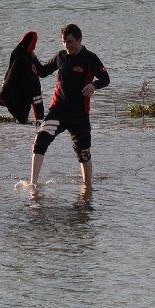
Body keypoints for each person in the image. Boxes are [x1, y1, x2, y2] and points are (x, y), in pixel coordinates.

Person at [30, 24, 109, 187]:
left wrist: (94, 85)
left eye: (70, 41)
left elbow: (105, 78)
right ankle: (33, 185)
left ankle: (87, 188)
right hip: (57, 111)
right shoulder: (61, 56)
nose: (66, 45)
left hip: (79, 114)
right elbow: (43, 71)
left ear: (79, 40)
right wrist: (30, 56)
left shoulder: (90, 58)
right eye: (63, 41)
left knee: (84, 153)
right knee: (40, 141)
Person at [0, 31, 46, 124]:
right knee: (34, 99)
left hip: (23, 85)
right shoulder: (22, 56)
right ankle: (37, 119)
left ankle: (34, 119)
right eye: (34, 43)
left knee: (32, 101)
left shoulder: (26, 53)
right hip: (25, 85)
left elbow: (41, 71)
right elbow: (12, 70)